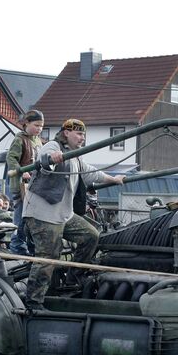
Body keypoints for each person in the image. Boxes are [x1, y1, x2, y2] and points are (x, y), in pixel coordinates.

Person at [22, 118, 124, 310]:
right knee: (48, 256)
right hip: (43, 214)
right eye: (79, 134)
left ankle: (72, 279)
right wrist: (53, 158)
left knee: (91, 235)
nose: (82, 138)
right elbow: (44, 160)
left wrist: (114, 179)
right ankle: (33, 302)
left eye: (84, 135)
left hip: (63, 214)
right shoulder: (53, 145)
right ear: (66, 133)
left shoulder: (76, 156)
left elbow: (91, 172)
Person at [6, 109, 44, 256]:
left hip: (34, 186)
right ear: (26, 124)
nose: (39, 129)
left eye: (41, 126)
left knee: (32, 220)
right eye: (36, 125)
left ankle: (31, 247)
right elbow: (11, 159)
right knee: (21, 218)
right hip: (20, 186)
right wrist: (21, 170)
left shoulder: (38, 141)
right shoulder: (19, 139)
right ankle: (17, 247)